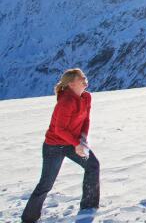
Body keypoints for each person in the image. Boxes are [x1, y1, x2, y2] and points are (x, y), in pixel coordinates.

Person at [22, 68, 100, 222]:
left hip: (72, 142)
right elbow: (59, 129)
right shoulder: (66, 102)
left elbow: (86, 120)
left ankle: (88, 206)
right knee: (46, 184)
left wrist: (83, 140)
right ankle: (28, 218)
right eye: (81, 78)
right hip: (54, 146)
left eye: (84, 76)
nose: (85, 80)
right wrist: (77, 144)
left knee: (93, 165)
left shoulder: (86, 97)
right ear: (71, 83)